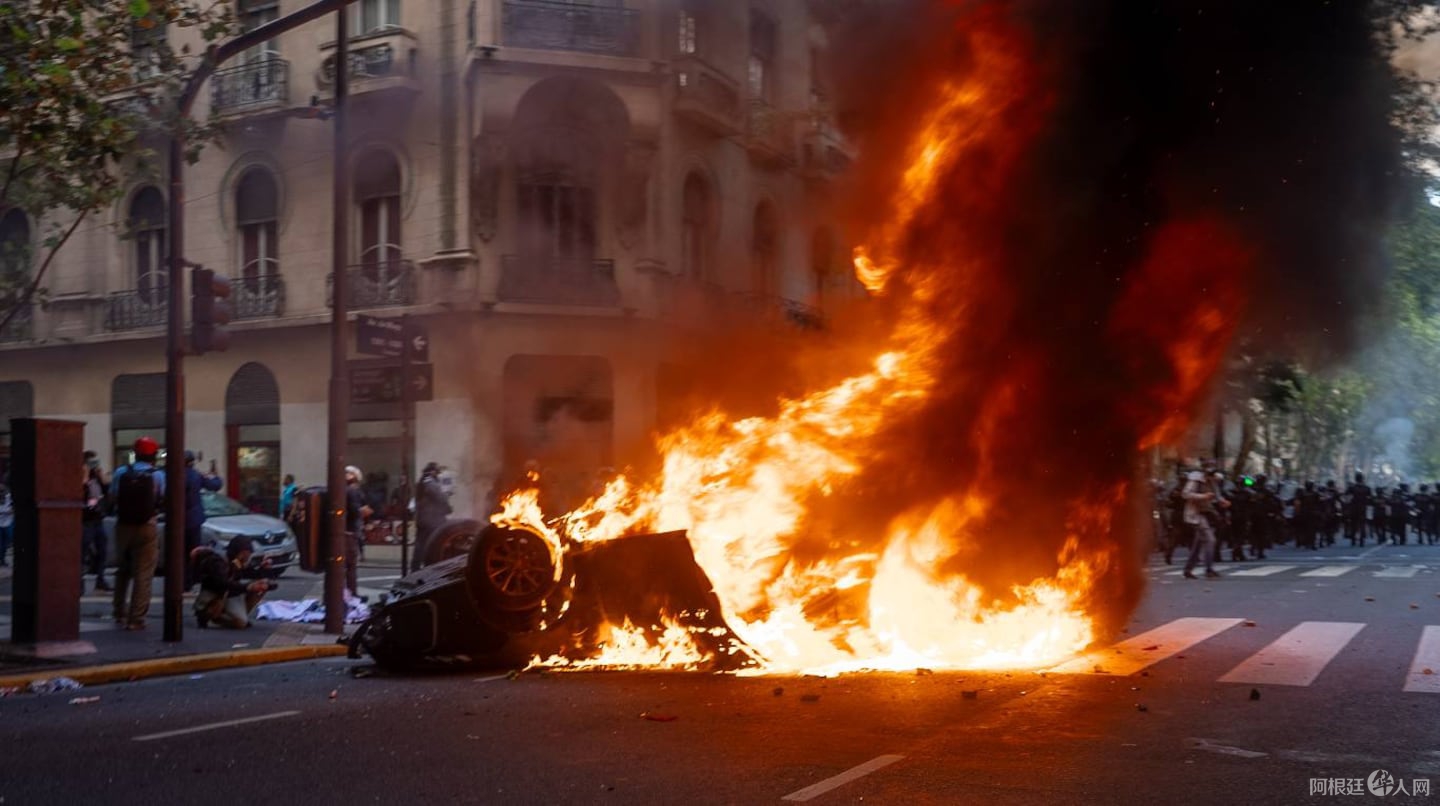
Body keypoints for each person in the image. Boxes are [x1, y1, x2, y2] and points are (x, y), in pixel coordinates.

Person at [109, 437, 165, 630]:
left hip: (123, 525)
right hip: (147, 525)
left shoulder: (121, 472)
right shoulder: (158, 475)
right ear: (154, 455)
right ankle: (136, 618)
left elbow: (113, 496)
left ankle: (118, 612)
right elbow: (162, 498)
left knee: (122, 570)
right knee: (143, 573)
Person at [191, 536, 274, 629]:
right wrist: (247, 587)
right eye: (247, 553)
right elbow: (222, 583)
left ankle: (238, 616)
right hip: (216, 595)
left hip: (228, 594)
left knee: (260, 588)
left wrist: (263, 570)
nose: (248, 556)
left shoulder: (236, 562)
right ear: (240, 552)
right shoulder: (218, 562)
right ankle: (213, 617)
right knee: (240, 623)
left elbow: (248, 573)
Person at [168, 450, 223, 591]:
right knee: (193, 551)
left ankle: (179, 581)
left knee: (177, 552)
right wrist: (214, 473)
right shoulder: (195, 475)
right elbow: (215, 485)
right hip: (193, 519)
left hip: (175, 520)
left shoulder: (171, 474)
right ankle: (190, 580)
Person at [1182, 469, 1226, 579]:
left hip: (1205, 514)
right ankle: (1208, 569)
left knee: (1198, 543)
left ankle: (1188, 569)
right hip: (1195, 514)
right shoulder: (1196, 481)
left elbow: (1216, 495)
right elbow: (1185, 494)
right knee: (1210, 539)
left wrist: (1222, 501)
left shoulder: (1212, 482)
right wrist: (1203, 496)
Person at [413, 462, 451, 568]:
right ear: (433, 472)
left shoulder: (421, 482)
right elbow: (441, 498)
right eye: (437, 472)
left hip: (422, 519)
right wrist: (448, 505)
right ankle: (431, 567)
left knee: (420, 546)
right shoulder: (431, 483)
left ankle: (415, 569)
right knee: (434, 544)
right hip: (432, 520)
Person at [82, 461, 111, 592]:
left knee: (102, 550)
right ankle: (79, 581)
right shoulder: (81, 482)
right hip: (86, 521)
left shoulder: (95, 481)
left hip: (97, 520)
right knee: (83, 551)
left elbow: (106, 490)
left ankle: (100, 579)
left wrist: (101, 476)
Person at [344, 466, 372, 597]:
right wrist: (364, 512)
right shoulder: (353, 491)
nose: (346, 474)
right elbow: (356, 511)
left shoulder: (344, 490)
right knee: (351, 566)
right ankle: (352, 594)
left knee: (344, 566)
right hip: (350, 532)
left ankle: (344, 594)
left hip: (346, 531)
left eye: (349, 473)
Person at [0, 478, 13, 568]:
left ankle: (2, 560)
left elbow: (13, 508)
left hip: (8, 522)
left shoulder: (9, 496)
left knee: (6, 542)